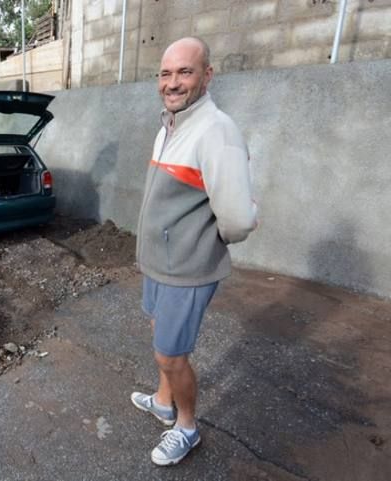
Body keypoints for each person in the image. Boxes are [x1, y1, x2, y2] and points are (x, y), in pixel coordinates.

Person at [132, 37, 257, 466]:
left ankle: (185, 426)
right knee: (159, 335)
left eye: (185, 72)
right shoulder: (169, 125)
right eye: (165, 73)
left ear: (207, 75)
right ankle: (164, 402)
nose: (173, 82)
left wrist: (201, 243)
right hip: (159, 264)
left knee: (170, 352)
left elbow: (238, 218)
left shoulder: (216, 131)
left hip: (186, 269)